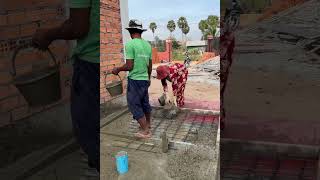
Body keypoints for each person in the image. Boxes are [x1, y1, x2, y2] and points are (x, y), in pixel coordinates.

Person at [32, 0, 100, 174]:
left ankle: (98, 168)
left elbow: (78, 27)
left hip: (90, 66)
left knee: (87, 128)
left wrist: (47, 35)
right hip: (96, 64)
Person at [111, 19, 152, 139]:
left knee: (134, 104)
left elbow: (130, 66)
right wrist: (148, 79)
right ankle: (148, 125)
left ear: (131, 31)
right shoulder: (147, 45)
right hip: (144, 79)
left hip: (135, 80)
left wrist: (117, 69)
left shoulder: (130, 44)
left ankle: (145, 131)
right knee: (145, 103)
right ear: (140, 32)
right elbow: (149, 65)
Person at [220, 21, 235, 130]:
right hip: (225, 65)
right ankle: (221, 120)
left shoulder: (226, 37)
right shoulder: (230, 36)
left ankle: (221, 120)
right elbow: (231, 53)